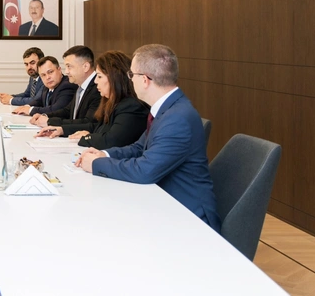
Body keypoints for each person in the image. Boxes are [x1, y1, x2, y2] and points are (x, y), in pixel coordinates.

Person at [76, 44, 220, 231]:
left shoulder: (177, 118)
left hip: (187, 217)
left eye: (131, 75)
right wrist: (104, 154)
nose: (130, 80)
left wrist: (96, 164)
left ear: (144, 80)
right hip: (164, 202)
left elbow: (145, 170)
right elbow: (138, 148)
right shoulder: (167, 108)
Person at [35, 50, 148, 149]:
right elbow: (96, 126)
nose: (95, 81)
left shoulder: (131, 106)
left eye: (99, 76)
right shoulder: (113, 101)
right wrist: (62, 130)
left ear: (115, 78)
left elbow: (111, 140)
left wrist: (87, 137)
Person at [29, 45, 101, 127]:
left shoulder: (98, 88)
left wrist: (50, 121)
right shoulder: (81, 86)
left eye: (69, 66)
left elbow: (88, 123)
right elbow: (68, 111)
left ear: (85, 67)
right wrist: (45, 116)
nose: (66, 71)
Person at [12, 56, 77, 115]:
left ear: (59, 70)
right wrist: (26, 107)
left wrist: (30, 110)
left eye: (50, 72)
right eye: (43, 75)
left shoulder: (67, 85)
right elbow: (39, 101)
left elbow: (56, 109)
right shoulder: (47, 86)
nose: (47, 77)